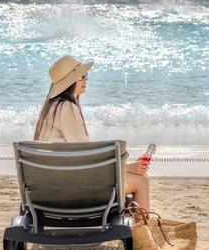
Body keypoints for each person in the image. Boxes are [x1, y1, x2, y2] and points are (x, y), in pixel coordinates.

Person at [34, 55, 151, 210]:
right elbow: (86, 159)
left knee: (133, 177)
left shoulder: (50, 109)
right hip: (74, 191)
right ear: (69, 82)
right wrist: (127, 167)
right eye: (81, 77)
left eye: (85, 76)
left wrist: (126, 167)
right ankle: (143, 233)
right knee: (141, 181)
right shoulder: (68, 108)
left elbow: (76, 158)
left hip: (49, 188)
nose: (85, 80)